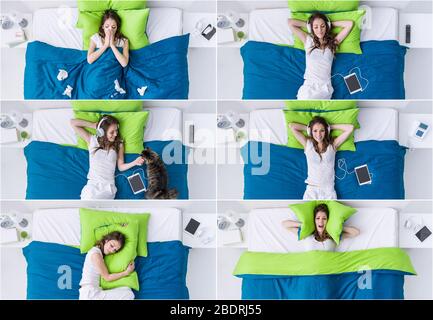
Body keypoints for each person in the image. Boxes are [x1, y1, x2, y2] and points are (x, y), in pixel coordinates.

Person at [70, 115, 144, 200]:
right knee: (88, 199)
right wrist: (93, 125)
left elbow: (121, 167)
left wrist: (135, 162)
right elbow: (73, 123)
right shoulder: (92, 140)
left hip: (108, 188)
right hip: (92, 186)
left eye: (116, 130)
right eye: (112, 132)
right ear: (102, 132)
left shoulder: (119, 144)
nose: (115, 134)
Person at [288, 12, 353, 99]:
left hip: (325, 88)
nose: (320, 30)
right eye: (316, 27)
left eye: (323, 26)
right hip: (309, 87)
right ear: (312, 28)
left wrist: (330, 24)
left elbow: (349, 24)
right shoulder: (308, 40)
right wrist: (309, 25)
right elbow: (290, 23)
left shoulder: (332, 43)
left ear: (326, 27)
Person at [289, 116, 354, 200]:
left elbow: (350, 128)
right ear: (311, 132)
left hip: (329, 191)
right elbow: (292, 126)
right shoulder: (307, 144)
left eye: (322, 130)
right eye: (315, 131)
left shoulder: (333, 145)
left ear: (326, 131)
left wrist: (330, 127)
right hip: (312, 190)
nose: (318, 135)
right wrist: (308, 129)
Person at [79, 231, 136, 300]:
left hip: (93, 292)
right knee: (129, 294)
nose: (112, 250)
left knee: (126, 290)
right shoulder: (96, 254)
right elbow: (107, 277)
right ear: (106, 240)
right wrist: (126, 272)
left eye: (115, 250)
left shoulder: (98, 252)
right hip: (90, 294)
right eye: (111, 245)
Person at [282, 203, 360, 251]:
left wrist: (337, 227)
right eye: (318, 218)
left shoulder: (333, 236)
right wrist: (303, 225)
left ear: (328, 221)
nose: (321, 221)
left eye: (324, 218)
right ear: (314, 220)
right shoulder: (307, 234)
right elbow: (285, 225)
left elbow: (356, 232)